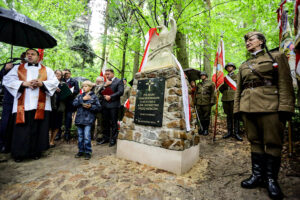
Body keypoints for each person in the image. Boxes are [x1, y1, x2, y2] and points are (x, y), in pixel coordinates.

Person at [234, 32, 295, 200]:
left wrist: (285, 107)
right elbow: (239, 89)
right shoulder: (244, 65)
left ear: (261, 41)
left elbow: (285, 82)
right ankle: (257, 175)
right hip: (248, 108)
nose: (248, 42)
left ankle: (271, 179)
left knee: (273, 143)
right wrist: (237, 109)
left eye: (251, 39)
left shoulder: (276, 56)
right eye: (246, 40)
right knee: (255, 141)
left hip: (270, 106)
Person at [3, 49, 59, 162]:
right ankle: (19, 153)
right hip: (23, 104)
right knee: (21, 130)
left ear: (38, 57)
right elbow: (7, 80)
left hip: (41, 105)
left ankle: (35, 152)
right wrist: (24, 83)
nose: (30, 56)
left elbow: (54, 82)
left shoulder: (47, 70)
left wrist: (41, 83)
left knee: (37, 129)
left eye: (33, 54)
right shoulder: (17, 68)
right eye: (28, 54)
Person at [0, 52, 26, 153]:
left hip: (23, 101)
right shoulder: (13, 66)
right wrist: (5, 69)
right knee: (6, 122)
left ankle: (14, 144)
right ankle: (3, 144)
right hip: (10, 100)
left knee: (18, 124)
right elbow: (2, 77)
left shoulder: (33, 69)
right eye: (25, 57)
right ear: (21, 58)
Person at [73, 80, 100, 160]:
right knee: (80, 137)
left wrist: (91, 106)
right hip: (79, 119)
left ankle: (88, 152)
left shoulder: (94, 96)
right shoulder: (79, 96)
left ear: (90, 87)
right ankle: (81, 151)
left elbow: (98, 107)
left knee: (87, 137)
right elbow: (74, 104)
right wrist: (82, 99)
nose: (84, 88)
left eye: (86, 86)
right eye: (83, 86)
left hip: (88, 120)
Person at [97, 69, 124, 147]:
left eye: (108, 74)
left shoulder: (119, 81)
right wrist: (104, 86)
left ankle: (113, 139)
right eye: (106, 74)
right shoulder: (105, 82)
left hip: (114, 105)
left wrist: (110, 97)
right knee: (105, 122)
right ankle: (106, 138)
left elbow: (120, 92)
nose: (107, 76)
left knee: (113, 123)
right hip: (105, 105)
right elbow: (100, 92)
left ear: (113, 73)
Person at [219, 63, 243, 141]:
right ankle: (229, 132)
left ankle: (236, 133)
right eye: (228, 67)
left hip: (234, 98)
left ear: (233, 68)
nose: (229, 68)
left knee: (235, 115)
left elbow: (240, 87)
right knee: (228, 115)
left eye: (230, 66)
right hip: (225, 98)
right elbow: (221, 89)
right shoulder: (224, 78)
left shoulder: (237, 76)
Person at [49, 70, 66, 147]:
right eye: (56, 73)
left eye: (60, 74)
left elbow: (67, 96)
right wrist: (53, 88)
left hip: (59, 107)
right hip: (50, 107)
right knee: (49, 124)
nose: (58, 75)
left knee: (57, 125)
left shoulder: (63, 84)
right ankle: (47, 139)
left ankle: (52, 140)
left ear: (62, 76)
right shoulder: (49, 83)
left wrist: (65, 92)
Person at [195, 71, 216, 136]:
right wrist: (195, 101)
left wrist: (212, 101)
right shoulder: (198, 84)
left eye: (203, 75)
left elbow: (213, 93)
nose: (202, 76)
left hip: (207, 102)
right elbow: (196, 93)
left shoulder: (211, 83)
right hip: (199, 102)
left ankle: (206, 129)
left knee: (206, 116)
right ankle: (201, 128)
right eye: (201, 75)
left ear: (206, 76)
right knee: (200, 116)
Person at [61, 69, 79, 141]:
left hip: (70, 101)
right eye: (65, 74)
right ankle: (59, 132)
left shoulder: (74, 81)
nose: (66, 75)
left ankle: (67, 133)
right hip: (61, 101)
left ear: (70, 74)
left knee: (68, 117)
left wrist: (69, 92)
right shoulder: (61, 80)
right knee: (61, 117)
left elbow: (77, 90)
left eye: (67, 73)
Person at [93, 76, 105, 142]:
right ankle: (90, 136)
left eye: (99, 81)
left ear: (102, 82)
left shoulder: (104, 88)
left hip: (100, 108)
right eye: (96, 81)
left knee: (100, 123)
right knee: (91, 122)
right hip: (92, 108)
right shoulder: (93, 87)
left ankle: (99, 136)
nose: (97, 82)